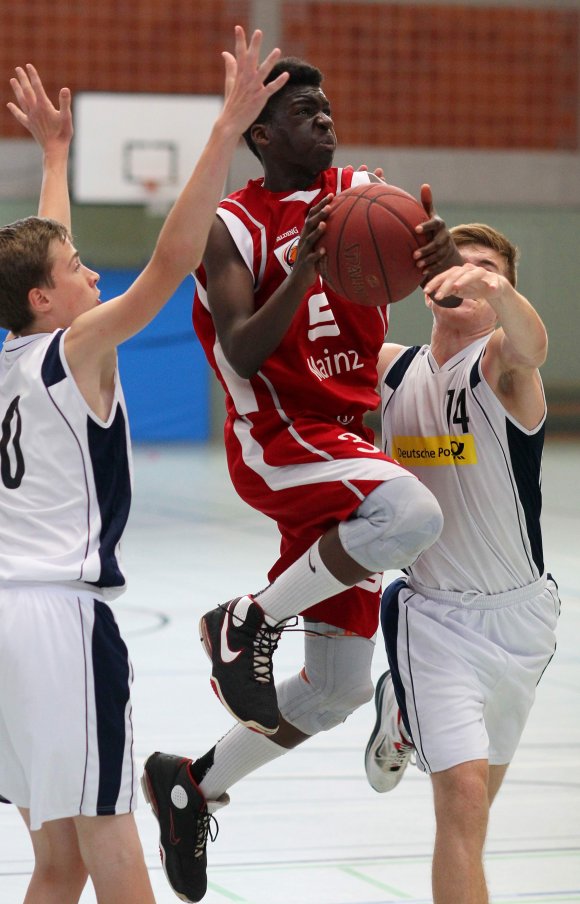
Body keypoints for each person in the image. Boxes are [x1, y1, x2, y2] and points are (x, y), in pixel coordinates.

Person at [141, 56, 463, 903]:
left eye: (328, 109)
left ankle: (192, 783)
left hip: (347, 444)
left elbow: (423, 279)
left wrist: (435, 256)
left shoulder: (365, 194)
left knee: (336, 691)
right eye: (305, 112)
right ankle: (245, 621)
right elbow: (242, 348)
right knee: (414, 511)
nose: (325, 121)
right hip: (280, 438)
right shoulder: (232, 227)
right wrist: (307, 270)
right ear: (261, 135)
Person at [0, 30, 289, 904]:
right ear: (48, 300)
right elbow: (171, 262)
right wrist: (227, 122)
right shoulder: (75, 348)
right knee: (114, 845)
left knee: (57, 864)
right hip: (60, 625)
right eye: (77, 270)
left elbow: (48, 256)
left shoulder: (17, 356)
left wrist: (55, 156)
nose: (91, 271)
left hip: (7, 627)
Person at [364, 223, 559, 903]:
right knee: (463, 801)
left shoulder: (505, 366)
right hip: (435, 616)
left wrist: (496, 287)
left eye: (488, 270)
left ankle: (403, 712)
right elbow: (302, 356)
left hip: (523, 619)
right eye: (460, 265)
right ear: (431, 285)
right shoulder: (389, 367)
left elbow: (535, 342)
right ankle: (414, 702)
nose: (470, 275)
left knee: (478, 823)